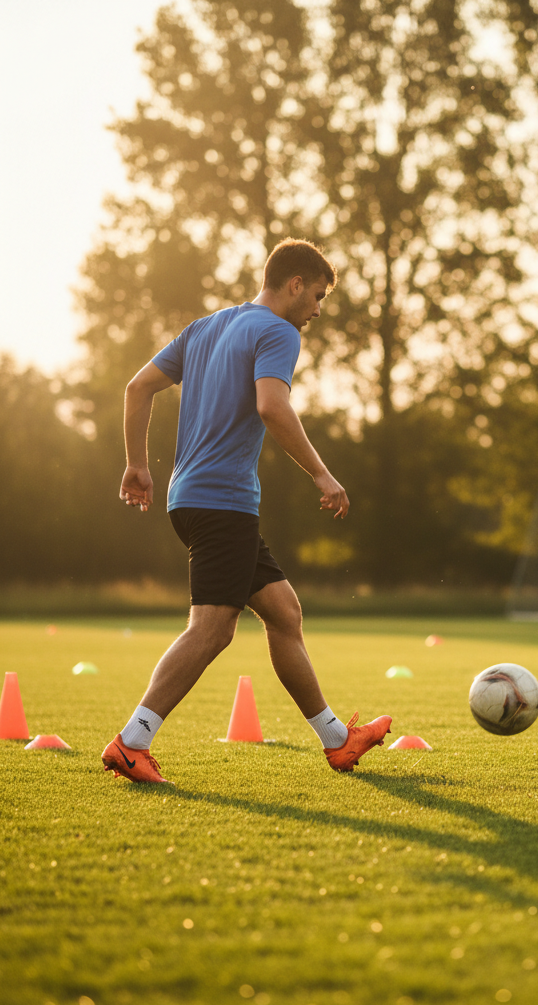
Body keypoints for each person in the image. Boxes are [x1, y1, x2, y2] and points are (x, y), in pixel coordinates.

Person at [101, 238, 392, 784]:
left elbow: (137, 388)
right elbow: (271, 405)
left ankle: (337, 742)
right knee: (212, 630)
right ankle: (131, 742)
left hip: (188, 498)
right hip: (222, 501)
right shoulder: (278, 331)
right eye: (319, 296)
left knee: (284, 613)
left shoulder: (204, 327)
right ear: (295, 284)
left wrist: (137, 465)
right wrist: (322, 474)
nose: (319, 310)